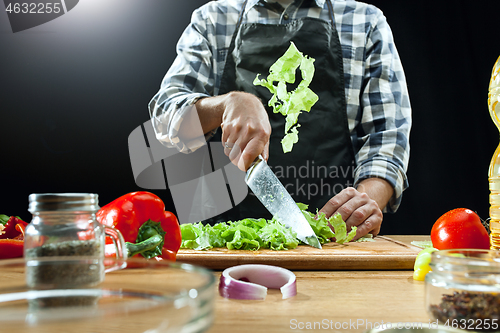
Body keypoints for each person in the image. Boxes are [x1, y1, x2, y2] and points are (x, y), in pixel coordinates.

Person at [149, 0, 411, 240]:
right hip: (229, 243)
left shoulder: (365, 21)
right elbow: (164, 117)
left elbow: (386, 140)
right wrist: (226, 104)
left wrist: (362, 203)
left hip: (332, 241)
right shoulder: (213, 19)